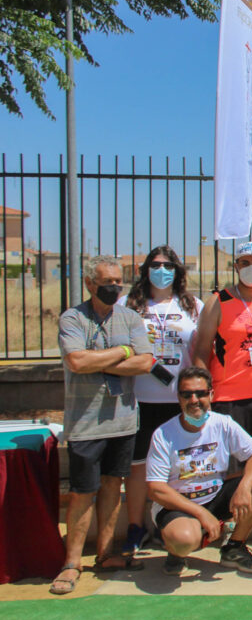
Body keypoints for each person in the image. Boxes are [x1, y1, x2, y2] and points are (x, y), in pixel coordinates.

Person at [52, 255, 153, 595]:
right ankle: (71, 563)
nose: (113, 287)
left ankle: (106, 553)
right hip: (85, 423)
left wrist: (107, 360)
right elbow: (77, 361)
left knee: (113, 487)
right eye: (106, 282)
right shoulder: (72, 318)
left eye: (117, 282)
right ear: (89, 284)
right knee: (82, 493)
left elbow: (145, 361)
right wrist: (123, 351)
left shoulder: (130, 317)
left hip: (123, 421)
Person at [192, 241, 252, 551]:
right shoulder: (218, 301)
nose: (251, 267)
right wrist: (201, 393)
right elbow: (202, 349)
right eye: (245, 261)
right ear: (235, 266)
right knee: (232, 465)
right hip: (228, 395)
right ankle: (231, 522)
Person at [146, 367, 252, 575]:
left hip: (214, 497)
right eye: (186, 394)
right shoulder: (163, 434)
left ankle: (234, 547)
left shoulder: (222, 423)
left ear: (211, 394)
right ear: (178, 397)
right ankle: (176, 550)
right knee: (184, 540)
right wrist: (201, 513)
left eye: (201, 393)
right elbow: (155, 489)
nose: (194, 399)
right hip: (178, 506)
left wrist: (244, 487)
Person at [119, 245, 203, 556]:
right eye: (156, 264)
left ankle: (180, 525)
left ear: (178, 271)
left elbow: (200, 351)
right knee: (138, 467)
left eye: (169, 265)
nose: (162, 270)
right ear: (146, 269)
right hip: (138, 400)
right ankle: (136, 527)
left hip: (178, 401)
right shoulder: (128, 305)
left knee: (180, 467)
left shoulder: (193, 305)